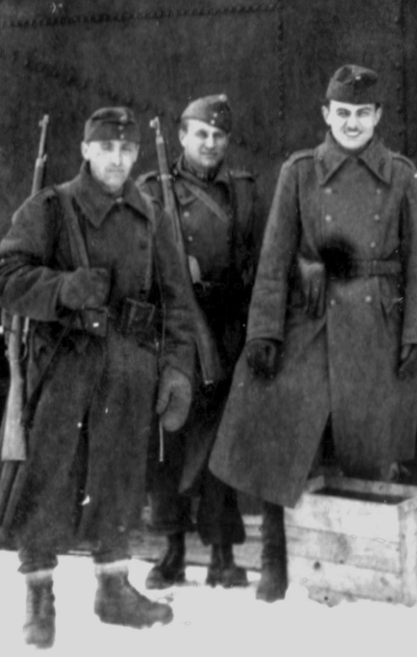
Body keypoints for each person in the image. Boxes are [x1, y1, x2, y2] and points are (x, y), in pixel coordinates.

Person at [209, 65, 417, 603]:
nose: (353, 123)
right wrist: (264, 331)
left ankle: (359, 566)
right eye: (343, 113)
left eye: (363, 113)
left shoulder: (403, 175)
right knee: (284, 439)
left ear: (378, 116)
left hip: (376, 324)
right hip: (307, 324)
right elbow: (273, 257)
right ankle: (274, 558)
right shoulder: (300, 172)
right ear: (326, 115)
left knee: (367, 449)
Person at [0, 107, 199, 648]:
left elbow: (177, 301)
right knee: (48, 473)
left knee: (120, 474)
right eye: (106, 148)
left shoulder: (150, 214)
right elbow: (2, 277)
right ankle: (38, 597)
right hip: (64, 360)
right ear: (85, 150)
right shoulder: (51, 208)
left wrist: (175, 368)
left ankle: (114, 590)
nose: (117, 159)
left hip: (130, 363)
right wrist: (63, 290)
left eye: (126, 151)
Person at [139, 95, 263, 590]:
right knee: (167, 445)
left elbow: (255, 263)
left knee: (220, 449)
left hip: (225, 332)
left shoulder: (243, 192)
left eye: (218, 136)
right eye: (200, 134)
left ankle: (222, 554)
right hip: (172, 337)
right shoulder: (150, 191)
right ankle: (170, 552)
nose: (209, 144)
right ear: (183, 135)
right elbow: (131, 261)